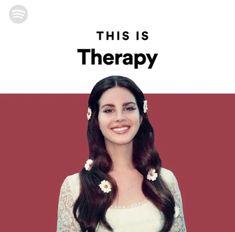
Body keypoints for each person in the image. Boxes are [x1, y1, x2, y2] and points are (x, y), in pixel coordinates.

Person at [57, 75, 186, 232]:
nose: (119, 117)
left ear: (141, 115)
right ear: (95, 118)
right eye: (109, 110)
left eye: (129, 108)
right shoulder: (74, 187)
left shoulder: (167, 180)